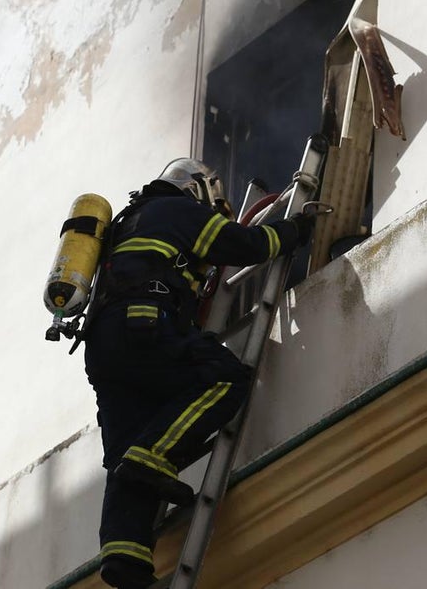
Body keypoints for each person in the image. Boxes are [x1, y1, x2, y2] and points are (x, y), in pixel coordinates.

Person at [83, 158, 315, 589]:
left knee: (124, 455)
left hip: (104, 352)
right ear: (198, 189)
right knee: (225, 378)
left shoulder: (126, 226)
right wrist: (293, 231)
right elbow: (244, 246)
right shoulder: (178, 210)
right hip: (144, 326)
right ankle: (154, 454)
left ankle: (125, 558)